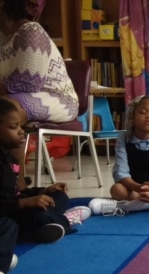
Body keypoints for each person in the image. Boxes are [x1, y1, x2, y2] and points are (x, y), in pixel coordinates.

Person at [0, 0, 80, 190]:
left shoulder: (31, 31)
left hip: (57, 98)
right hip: (19, 96)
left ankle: (17, 185)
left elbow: (28, 82)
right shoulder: (4, 40)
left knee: (8, 109)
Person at [0, 99, 88, 249]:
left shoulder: (10, 158)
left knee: (59, 196)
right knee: (35, 216)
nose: (21, 131)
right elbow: (9, 202)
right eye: (14, 127)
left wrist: (43, 191)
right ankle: (61, 220)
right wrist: (24, 202)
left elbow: (16, 193)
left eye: (21, 126)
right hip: (7, 215)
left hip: (14, 207)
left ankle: (50, 221)